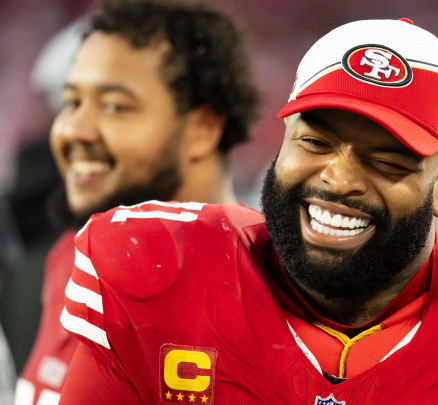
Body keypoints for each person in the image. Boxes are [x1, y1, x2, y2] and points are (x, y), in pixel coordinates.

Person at [59, 18, 438, 404]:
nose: (338, 180)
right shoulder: (155, 270)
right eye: (315, 143)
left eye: (386, 161)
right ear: (282, 139)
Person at [15, 1, 259, 404]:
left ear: (202, 129)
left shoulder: (264, 294)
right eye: (72, 102)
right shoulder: (74, 257)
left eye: (114, 106)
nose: (74, 129)